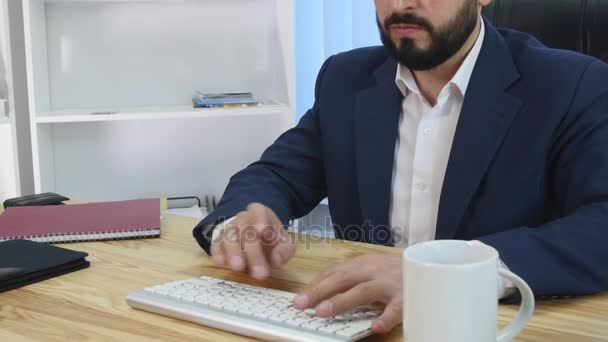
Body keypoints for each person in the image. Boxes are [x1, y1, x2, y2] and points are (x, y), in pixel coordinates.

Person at [193, 0, 608, 333]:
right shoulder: (346, 77)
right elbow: (276, 175)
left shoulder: (571, 85)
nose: (401, 5)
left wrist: (448, 276)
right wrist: (240, 224)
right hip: (360, 324)